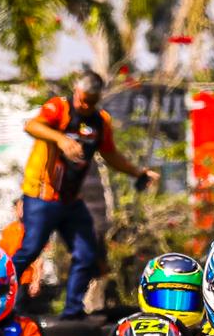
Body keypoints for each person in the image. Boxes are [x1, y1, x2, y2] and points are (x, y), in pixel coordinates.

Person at [13, 71, 159, 319]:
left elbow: (111, 154)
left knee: (87, 254)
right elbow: (31, 125)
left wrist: (138, 173)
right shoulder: (58, 108)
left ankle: (72, 311)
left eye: (91, 100)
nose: (85, 105)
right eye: (82, 99)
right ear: (76, 92)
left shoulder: (100, 121)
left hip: (71, 200)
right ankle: (8, 305)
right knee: (29, 251)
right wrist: (60, 139)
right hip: (42, 196)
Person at [68, 252, 205, 336]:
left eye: (184, 300)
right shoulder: (128, 334)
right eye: (166, 298)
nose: (174, 309)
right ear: (145, 293)